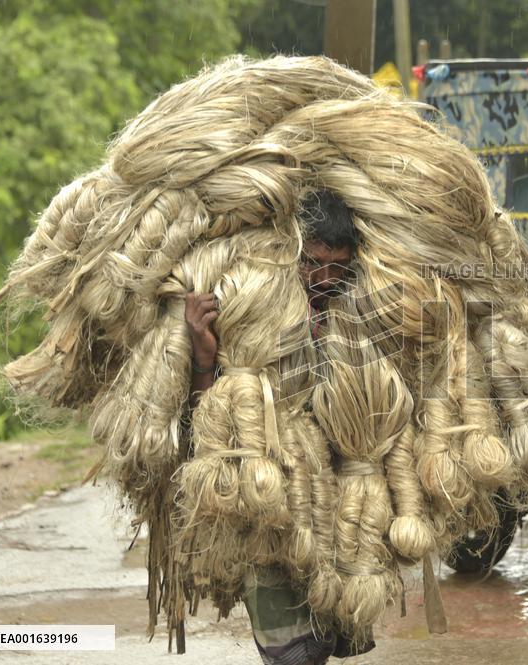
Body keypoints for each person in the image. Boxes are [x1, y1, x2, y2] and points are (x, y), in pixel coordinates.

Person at [184, 190, 367, 665]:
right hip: (266, 517)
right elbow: (211, 425)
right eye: (315, 263)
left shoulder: (352, 318)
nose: (324, 278)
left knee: (326, 644)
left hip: (332, 514)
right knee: (292, 656)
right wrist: (204, 360)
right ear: (293, 254)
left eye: (338, 267)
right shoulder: (250, 315)